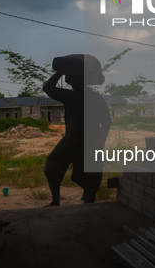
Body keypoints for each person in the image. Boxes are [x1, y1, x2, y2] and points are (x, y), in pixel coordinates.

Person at [43, 70, 111, 206]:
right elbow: (48, 88)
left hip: (91, 143)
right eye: (72, 80)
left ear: (85, 81)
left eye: (77, 80)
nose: (74, 83)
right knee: (52, 166)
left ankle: (88, 204)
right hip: (70, 140)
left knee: (92, 179)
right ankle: (55, 201)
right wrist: (61, 71)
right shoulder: (70, 96)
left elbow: (106, 121)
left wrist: (101, 140)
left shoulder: (96, 98)